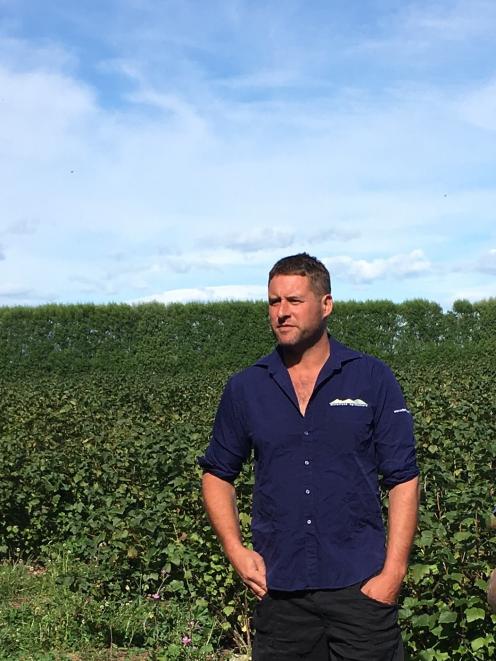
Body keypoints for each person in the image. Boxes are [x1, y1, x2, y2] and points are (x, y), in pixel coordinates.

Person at [198, 253, 420, 660]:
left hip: (362, 587)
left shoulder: (371, 377)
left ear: (326, 304)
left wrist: (393, 574)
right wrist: (235, 550)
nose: (281, 313)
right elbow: (217, 473)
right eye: (273, 301)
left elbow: (403, 477)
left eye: (294, 301)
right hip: (280, 595)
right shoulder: (246, 388)